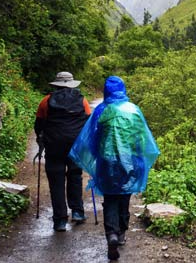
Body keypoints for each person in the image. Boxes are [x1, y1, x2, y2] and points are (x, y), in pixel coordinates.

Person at [69, 76, 160, 261]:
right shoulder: (134, 110)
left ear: (105, 91)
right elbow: (141, 138)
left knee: (110, 197)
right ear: (123, 89)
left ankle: (111, 233)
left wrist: (95, 159)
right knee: (124, 195)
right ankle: (122, 234)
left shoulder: (102, 110)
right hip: (130, 161)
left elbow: (92, 138)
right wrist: (140, 160)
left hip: (107, 161)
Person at [35, 71, 92, 232]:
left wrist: (41, 141)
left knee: (56, 182)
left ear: (56, 85)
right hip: (75, 147)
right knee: (75, 176)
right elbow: (87, 123)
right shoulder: (82, 101)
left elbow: (39, 125)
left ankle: (60, 220)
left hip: (54, 147)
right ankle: (78, 212)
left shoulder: (46, 101)